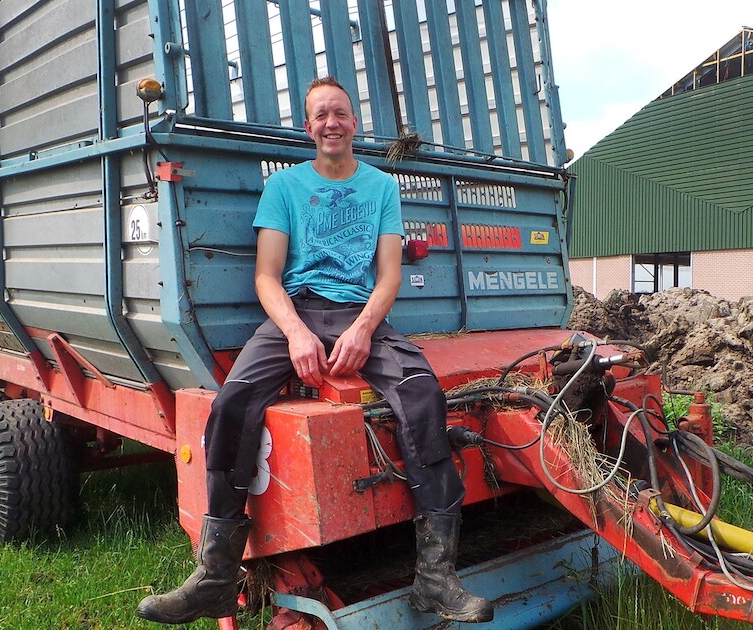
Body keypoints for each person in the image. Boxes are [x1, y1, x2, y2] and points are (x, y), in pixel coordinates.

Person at [136, 76, 494, 625]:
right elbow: (266, 276)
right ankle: (214, 578)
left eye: (340, 113)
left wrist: (363, 330)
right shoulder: (284, 189)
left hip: (358, 315)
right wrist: (298, 333)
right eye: (321, 114)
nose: (331, 122)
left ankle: (436, 579)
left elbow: (390, 274)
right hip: (295, 311)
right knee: (233, 404)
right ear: (309, 127)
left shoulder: (381, 188)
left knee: (422, 396)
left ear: (354, 123)